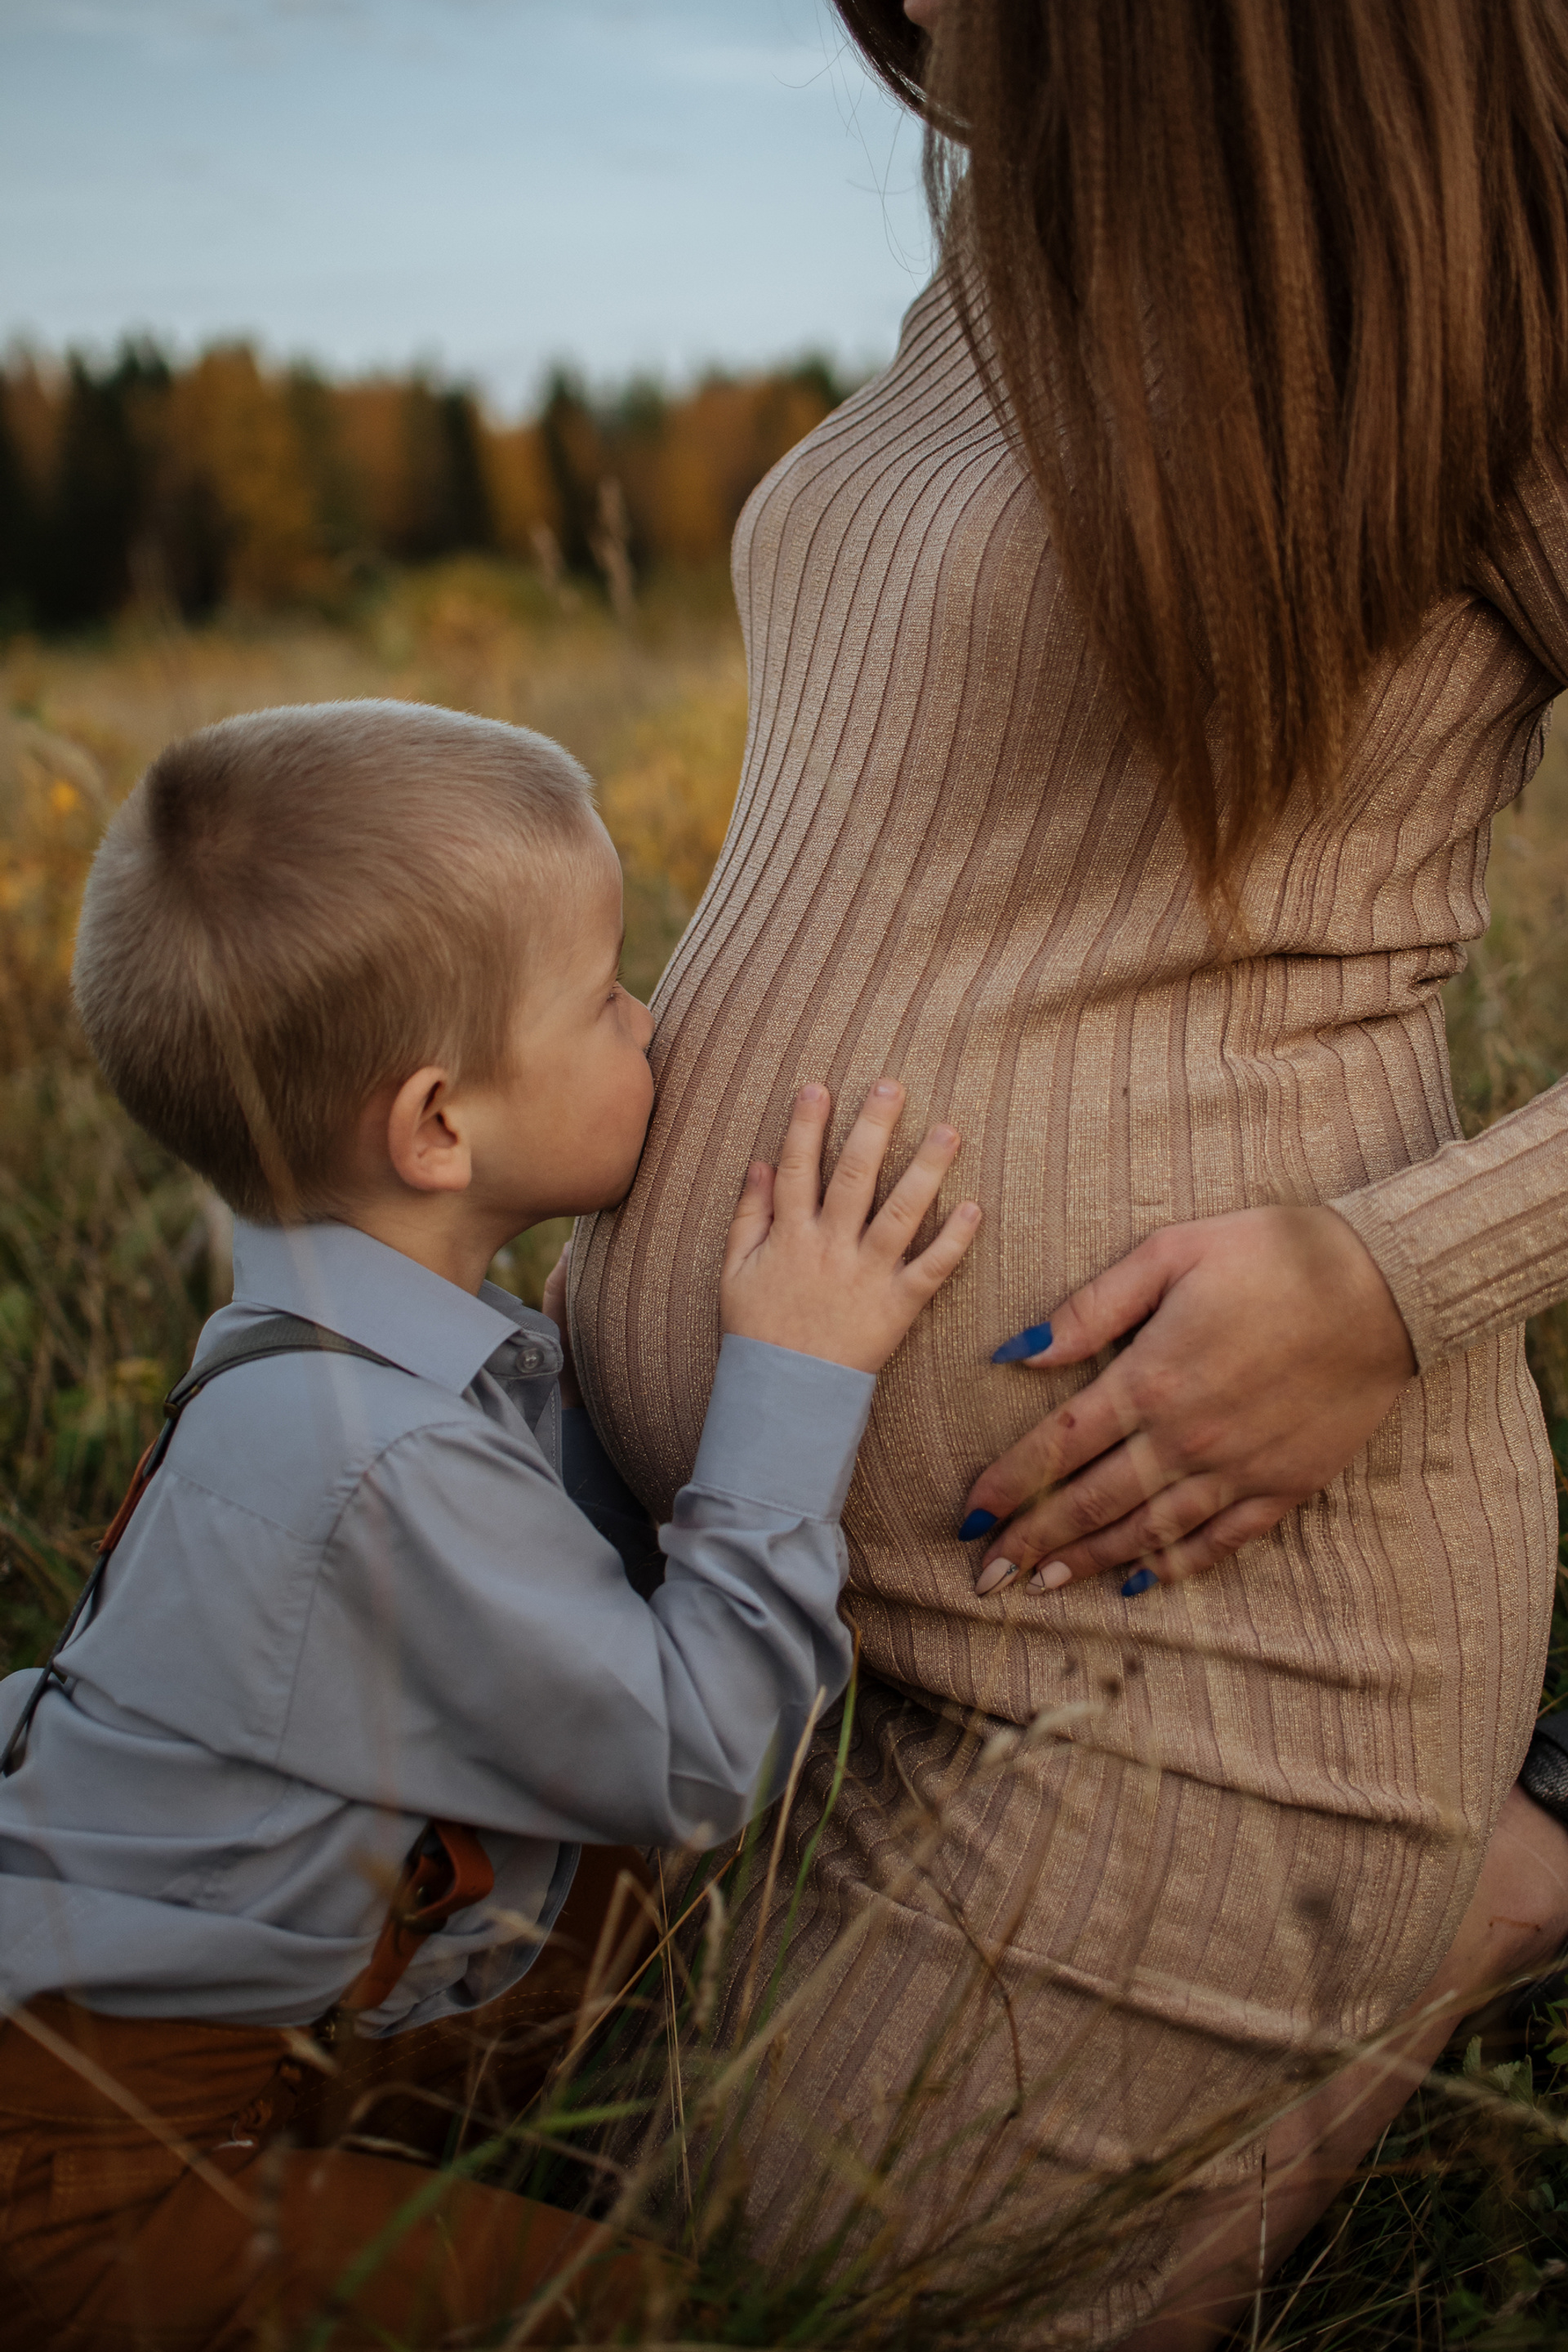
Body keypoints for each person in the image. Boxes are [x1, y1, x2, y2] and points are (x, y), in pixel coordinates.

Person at [568, 2, 1568, 2342]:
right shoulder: (1026, 242)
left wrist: (1402, 1274)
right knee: (493, 2178)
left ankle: (1454, 1879)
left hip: (1197, 1637)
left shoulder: (1492, 308)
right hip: (757, 1588)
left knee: (739, 2300)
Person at [0, 698, 979, 2349]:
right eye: (604, 997)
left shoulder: (336, 1372)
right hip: (100, 2167)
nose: (653, 1021)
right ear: (440, 1125)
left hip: (245, 2056)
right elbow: (690, 1757)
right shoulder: (370, 1461)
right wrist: (792, 1378)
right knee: (622, 2317)